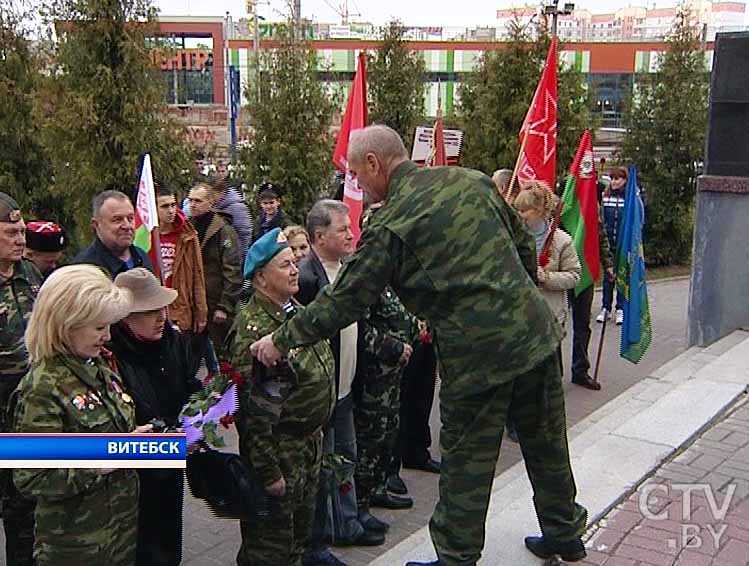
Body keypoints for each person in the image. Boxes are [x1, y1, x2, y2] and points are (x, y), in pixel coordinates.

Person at [251, 125, 589, 566]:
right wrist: (514, 299)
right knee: (547, 444)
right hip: (536, 336)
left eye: (357, 174)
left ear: (375, 163)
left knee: (468, 460)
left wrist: (282, 339)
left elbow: (345, 301)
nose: (357, 185)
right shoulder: (471, 180)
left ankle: (455, 557)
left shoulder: (391, 224)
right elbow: (524, 244)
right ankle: (565, 534)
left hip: (477, 359)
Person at [12, 264, 152, 566]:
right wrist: (106, 459)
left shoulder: (97, 367)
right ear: (66, 324)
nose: (107, 335)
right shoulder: (41, 388)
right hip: (75, 548)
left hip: (119, 538)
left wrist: (140, 443)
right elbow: (30, 476)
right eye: (99, 327)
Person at [229, 228, 336, 566]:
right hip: (280, 453)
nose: (294, 269)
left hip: (306, 448)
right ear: (260, 277)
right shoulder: (256, 329)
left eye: (294, 262)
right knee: (269, 550)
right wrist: (268, 472)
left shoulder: (294, 310)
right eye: (284, 265)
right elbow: (252, 414)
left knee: (297, 544)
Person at [297, 200, 384, 566]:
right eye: (342, 230)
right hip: (323, 393)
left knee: (346, 457)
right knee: (322, 468)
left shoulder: (345, 270)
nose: (351, 235)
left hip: (346, 387)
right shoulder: (306, 278)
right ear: (319, 236)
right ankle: (321, 539)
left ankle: (348, 521)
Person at [108, 268, 205, 566]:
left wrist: (199, 419)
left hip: (172, 462)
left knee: (168, 539)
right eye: (149, 311)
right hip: (135, 474)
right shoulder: (111, 356)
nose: (161, 316)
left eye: (161, 307)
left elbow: (192, 383)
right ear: (125, 317)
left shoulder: (173, 341)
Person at [0, 192, 41, 566]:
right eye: (11, 232)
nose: (21, 239)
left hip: (27, 407)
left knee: (23, 508)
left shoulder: (29, 273)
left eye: (22, 231)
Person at [514, 183, 582, 373]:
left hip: (548, 318)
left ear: (539, 210)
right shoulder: (513, 238)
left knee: (548, 375)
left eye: (524, 210)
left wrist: (547, 277)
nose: (519, 215)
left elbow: (574, 275)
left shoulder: (561, 241)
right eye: (517, 209)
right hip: (520, 318)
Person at [565, 185, 614, 391]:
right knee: (555, 323)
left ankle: (580, 370)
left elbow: (600, 237)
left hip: (584, 271)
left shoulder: (592, 209)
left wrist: (608, 264)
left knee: (583, 325)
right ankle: (552, 374)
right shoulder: (564, 206)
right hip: (560, 272)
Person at [187, 181, 242, 355]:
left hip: (216, 301)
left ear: (210, 203)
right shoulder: (188, 228)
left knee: (224, 354)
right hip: (195, 304)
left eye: (198, 201)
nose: (193, 205)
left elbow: (232, 270)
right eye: (190, 201)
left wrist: (224, 306)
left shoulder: (223, 231)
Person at [156, 185, 209, 334]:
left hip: (179, 309)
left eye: (173, 205)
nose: (171, 210)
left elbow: (197, 275)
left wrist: (201, 312)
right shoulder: (144, 237)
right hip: (154, 308)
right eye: (165, 206)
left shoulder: (188, 235)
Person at [73, 190, 154, 278]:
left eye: (130, 218)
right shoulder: (85, 269)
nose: (127, 226)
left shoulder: (142, 257)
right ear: (96, 224)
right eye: (117, 220)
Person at [597, 166, 627, 325]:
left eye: (618, 179)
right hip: (608, 244)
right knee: (608, 275)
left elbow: (637, 221)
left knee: (621, 276)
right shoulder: (605, 196)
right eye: (613, 179)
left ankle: (620, 308)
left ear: (625, 181)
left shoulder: (630, 198)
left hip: (623, 244)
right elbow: (601, 220)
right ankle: (605, 307)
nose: (614, 182)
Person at [215, 179, 254, 254]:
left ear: (221, 192)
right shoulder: (216, 207)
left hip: (235, 256)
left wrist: (240, 258)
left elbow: (244, 235)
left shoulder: (237, 208)